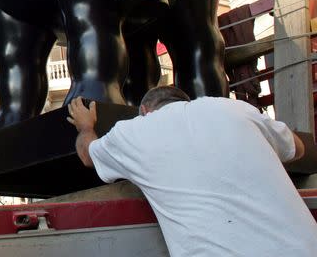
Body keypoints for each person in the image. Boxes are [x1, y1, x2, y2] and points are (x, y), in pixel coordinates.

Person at [67, 86, 317, 256]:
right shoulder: (231, 108)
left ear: (144, 112)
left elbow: (88, 155)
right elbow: (297, 148)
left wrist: (85, 127)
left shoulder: (133, 131)